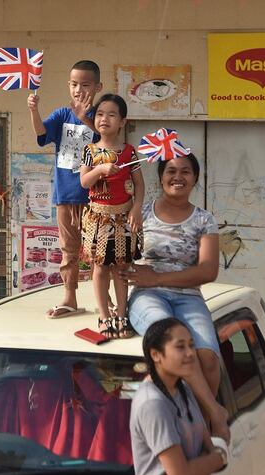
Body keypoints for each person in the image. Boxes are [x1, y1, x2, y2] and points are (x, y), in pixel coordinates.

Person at [119, 152, 230, 441]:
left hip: (188, 297)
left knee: (207, 358)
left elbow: (208, 271)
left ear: (195, 178)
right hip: (147, 296)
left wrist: (157, 276)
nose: (177, 177)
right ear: (160, 177)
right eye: (170, 171)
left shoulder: (205, 220)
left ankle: (203, 429)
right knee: (173, 344)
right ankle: (216, 413)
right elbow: (117, 253)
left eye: (185, 172)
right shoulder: (140, 212)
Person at [28, 60, 102, 318]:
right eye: (73, 84)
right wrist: (33, 110)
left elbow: (109, 142)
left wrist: (86, 119)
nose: (78, 89)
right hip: (66, 195)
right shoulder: (61, 115)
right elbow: (41, 134)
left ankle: (103, 300)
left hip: (97, 197)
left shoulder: (102, 114)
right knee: (69, 250)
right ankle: (69, 296)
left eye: (85, 84)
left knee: (99, 249)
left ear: (98, 86)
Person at [79, 94, 144, 339]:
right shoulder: (90, 151)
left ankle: (122, 314)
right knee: (100, 268)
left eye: (111, 114)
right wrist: (100, 169)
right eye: (100, 114)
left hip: (124, 218)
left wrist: (137, 208)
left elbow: (140, 185)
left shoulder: (129, 152)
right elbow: (85, 181)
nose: (104, 119)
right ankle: (104, 315)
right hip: (98, 219)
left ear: (122, 122)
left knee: (122, 268)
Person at [130, 318, 227, 475]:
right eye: (180, 347)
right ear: (156, 354)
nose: (190, 353)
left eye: (191, 345)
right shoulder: (153, 404)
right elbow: (180, 474)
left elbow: (207, 445)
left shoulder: (183, 388)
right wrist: (219, 458)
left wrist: (210, 458)